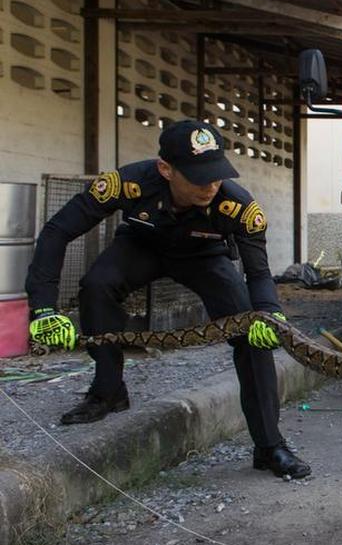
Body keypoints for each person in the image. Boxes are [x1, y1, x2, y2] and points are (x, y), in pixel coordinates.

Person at [25, 120, 311, 480]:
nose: (210, 185)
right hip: (142, 244)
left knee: (253, 330)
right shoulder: (127, 183)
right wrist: (44, 309)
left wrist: (271, 315)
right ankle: (108, 391)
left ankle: (269, 446)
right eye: (198, 176)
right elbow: (57, 230)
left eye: (217, 174)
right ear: (165, 169)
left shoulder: (239, 207)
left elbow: (258, 272)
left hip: (204, 255)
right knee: (97, 286)